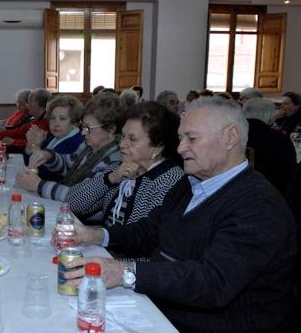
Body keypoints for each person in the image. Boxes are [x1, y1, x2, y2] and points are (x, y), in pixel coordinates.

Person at [64, 97, 297, 333]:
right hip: (165, 309)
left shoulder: (258, 206)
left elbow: (213, 282)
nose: (180, 148)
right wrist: (93, 235)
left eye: (192, 138)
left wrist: (125, 272)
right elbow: (149, 230)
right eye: (181, 138)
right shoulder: (191, 183)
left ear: (231, 138)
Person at [66, 102, 183, 229]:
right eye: (123, 136)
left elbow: (143, 235)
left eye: (132, 139)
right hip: (105, 245)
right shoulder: (120, 168)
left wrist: (101, 237)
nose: (122, 144)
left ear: (157, 147)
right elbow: (71, 203)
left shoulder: (169, 180)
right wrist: (111, 178)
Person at [16, 92, 122, 202]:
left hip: (83, 218)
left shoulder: (113, 161)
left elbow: (81, 198)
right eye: (83, 126)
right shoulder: (88, 146)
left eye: (89, 128)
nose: (83, 133)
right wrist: (48, 156)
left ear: (110, 130)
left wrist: (38, 185)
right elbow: (67, 166)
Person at [23, 95, 84, 181]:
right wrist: (30, 144)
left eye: (62, 119)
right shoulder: (52, 138)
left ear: (74, 122)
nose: (56, 123)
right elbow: (28, 163)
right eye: (53, 118)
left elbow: (46, 175)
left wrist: (35, 146)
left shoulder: (76, 142)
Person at [243, 97, 297, 194]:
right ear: (271, 118)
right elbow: (289, 176)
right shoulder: (280, 141)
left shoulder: (230, 135)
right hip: (269, 193)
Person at [0, 88, 51, 152]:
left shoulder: (45, 123)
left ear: (38, 103)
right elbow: (18, 131)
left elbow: (39, 145)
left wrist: (13, 142)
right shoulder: (36, 120)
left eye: (30, 101)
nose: (27, 105)